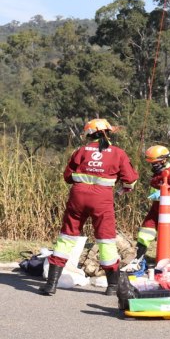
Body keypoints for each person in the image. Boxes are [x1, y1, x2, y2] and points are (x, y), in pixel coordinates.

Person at [40, 118, 139, 296]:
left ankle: (51, 284)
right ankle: (112, 286)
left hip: (78, 196)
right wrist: (125, 188)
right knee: (106, 239)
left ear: (89, 134)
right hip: (102, 198)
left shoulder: (81, 151)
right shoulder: (117, 153)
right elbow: (130, 179)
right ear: (108, 133)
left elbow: (68, 176)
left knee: (67, 237)